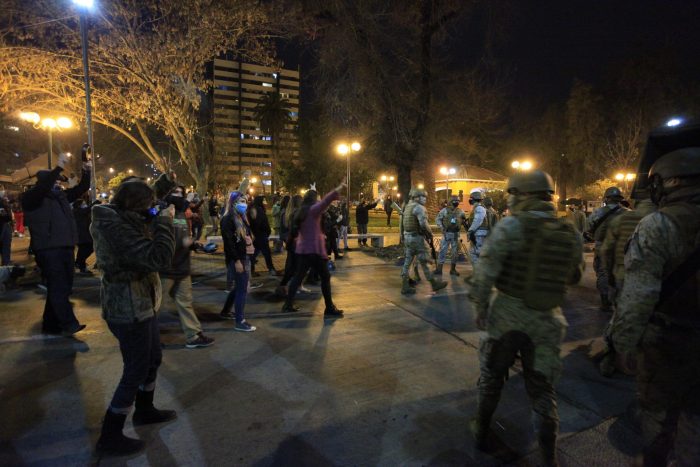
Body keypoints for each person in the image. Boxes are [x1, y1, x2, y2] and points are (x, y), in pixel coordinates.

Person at [468, 170, 583, 466]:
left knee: (492, 378)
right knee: (542, 391)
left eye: (513, 193)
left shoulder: (510, 226)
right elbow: (575, 275)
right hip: (547, 320)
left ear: (523, 194)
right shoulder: (566, 230)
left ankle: (481, 430)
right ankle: (548, 457)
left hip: (506, 316)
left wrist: (480, 307)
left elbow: (485, 272)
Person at [611, 145, 700, 467]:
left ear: (670, 183)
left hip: (669, 341)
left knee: (658, 416)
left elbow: (639, 295)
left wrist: (623, 344)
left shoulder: (658, 225)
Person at [91, 178, 177, 455]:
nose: (151, 211)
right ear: (135, 206)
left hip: (143, 303)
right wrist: (164, 223)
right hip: (127, 309)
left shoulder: (125, 216)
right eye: (148, 206)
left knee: (153, 359)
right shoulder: (113, 226)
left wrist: (163, 186)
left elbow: (142, 202)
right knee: (135, 370)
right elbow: (159, 257)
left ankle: (145, 409)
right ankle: (111, 434)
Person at [22, 152, 91, 336]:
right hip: (48, 249)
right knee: (59, 286)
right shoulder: (31, 197)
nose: (59, 184)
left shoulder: (59, 197)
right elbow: (42, 188)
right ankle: (69, 324)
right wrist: (58, 167)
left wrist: (87, 165)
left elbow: (83, 187)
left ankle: (51, 325)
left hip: (66, 247)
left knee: (62, 287)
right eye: (56, 181)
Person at [597, 186, 656, 377]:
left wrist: (610, 273)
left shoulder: (622, 219)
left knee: (621, 316)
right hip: (657, 280)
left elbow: (606, 250)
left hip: (624, 275)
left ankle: (612, 358)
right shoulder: (666, 218)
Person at [159, 185, 215, 347]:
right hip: (165, 269)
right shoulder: (162, 214)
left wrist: (195, 245)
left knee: (185, 302)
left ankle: (193, 336)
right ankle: (147, 337)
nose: (180, 196)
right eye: (175, 193)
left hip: (182, 268)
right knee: (156, 306)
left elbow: (184, 238)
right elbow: (160, 240)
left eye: (181, 193)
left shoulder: (182, 215)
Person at [281, 181, 346, 316]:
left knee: (298, 277)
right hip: (315, 250)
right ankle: (329, 308)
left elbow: (293, 232)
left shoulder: (299, 211)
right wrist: (338, 188)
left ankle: (287, 304)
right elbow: (326, 201)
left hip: (303, 250)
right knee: (325, 277)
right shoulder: (313, 210)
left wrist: (289, 243)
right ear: (313, 199)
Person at [586, 187, 629, 312]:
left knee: (602, 272)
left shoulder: (598, 212)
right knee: (620, 271)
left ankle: (605, 301)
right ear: (620, 199)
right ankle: (619, 299)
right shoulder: (628, 212)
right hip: (621, 247)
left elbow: (588, 228)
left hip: (601, 246)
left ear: (606, 198)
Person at [219, 190, 257, 331]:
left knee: (238, 287)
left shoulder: (241, 217)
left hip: (243, 256)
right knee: (242, 289)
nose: (244, 204)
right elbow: (229, 243)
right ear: (233, 203)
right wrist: (237, 261)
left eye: (246, 201)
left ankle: (225, 311)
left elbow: (246, 235)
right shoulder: (228, 219)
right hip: (238, 258)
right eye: (241, 201)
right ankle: (240, 321)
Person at [400, 188, 448, 295]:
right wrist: (430, 234)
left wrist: (402, 236)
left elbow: (402, 223)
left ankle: (405, 286)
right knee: (425, 261)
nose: (425, 199)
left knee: (407, 262)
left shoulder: (407, 207)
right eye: (423, 197)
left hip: (408, 237)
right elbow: (423, 224)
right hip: (417, 239)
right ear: (416, 197)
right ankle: (433, 284)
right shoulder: (419, 208)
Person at [435, 195, 467, 276]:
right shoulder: (444, 211)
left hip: (456, 234)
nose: (457, 202)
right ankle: (439, 269)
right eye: (455, 201)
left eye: (457, 201)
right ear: (450, 201)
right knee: (443, 251)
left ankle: (453, 269)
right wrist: (442, 228)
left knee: (454, 252)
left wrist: (464, 223)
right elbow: (438, 219)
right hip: (447, 234)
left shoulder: (461, 211)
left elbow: (464, 221)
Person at [248, 195, 278, 276]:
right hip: (261, 235)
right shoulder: (259, 210)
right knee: (266, 253)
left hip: (256, 235)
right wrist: (267, 231)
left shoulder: (252, 209)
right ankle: (271, 269)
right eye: (263, 201)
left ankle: (251, 270)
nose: (265, 203)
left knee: (254, 253)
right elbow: (263, 223)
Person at [466, 189, 490, 267]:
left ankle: (478, 273)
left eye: (471, 199)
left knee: (475, 253)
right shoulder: (477, 208)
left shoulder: (479, 208)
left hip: (479, 233)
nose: (470, 200)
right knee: (476, 253)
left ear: (474, 199)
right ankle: (478, 273)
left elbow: (477, 221)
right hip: (478, 233)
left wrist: (470, 231)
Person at [72, 193, 95, 274]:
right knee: (87, 248)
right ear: (78, 205)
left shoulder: (80, 212)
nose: (84, 205)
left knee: (83, 250)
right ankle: (80, 264)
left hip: (84, 234)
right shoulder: (77, 212)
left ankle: (79, 263)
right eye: (83, 204)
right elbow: (87, 209)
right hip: (81, 235)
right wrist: (95, 203)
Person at [0, 187, 12, 265]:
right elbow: (7, 217)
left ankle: (6, 264)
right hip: (3, 226)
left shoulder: (3, 201)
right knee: (5, 247)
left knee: (5, 247)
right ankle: (6, 264)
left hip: (4, 226)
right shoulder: (2, 202)